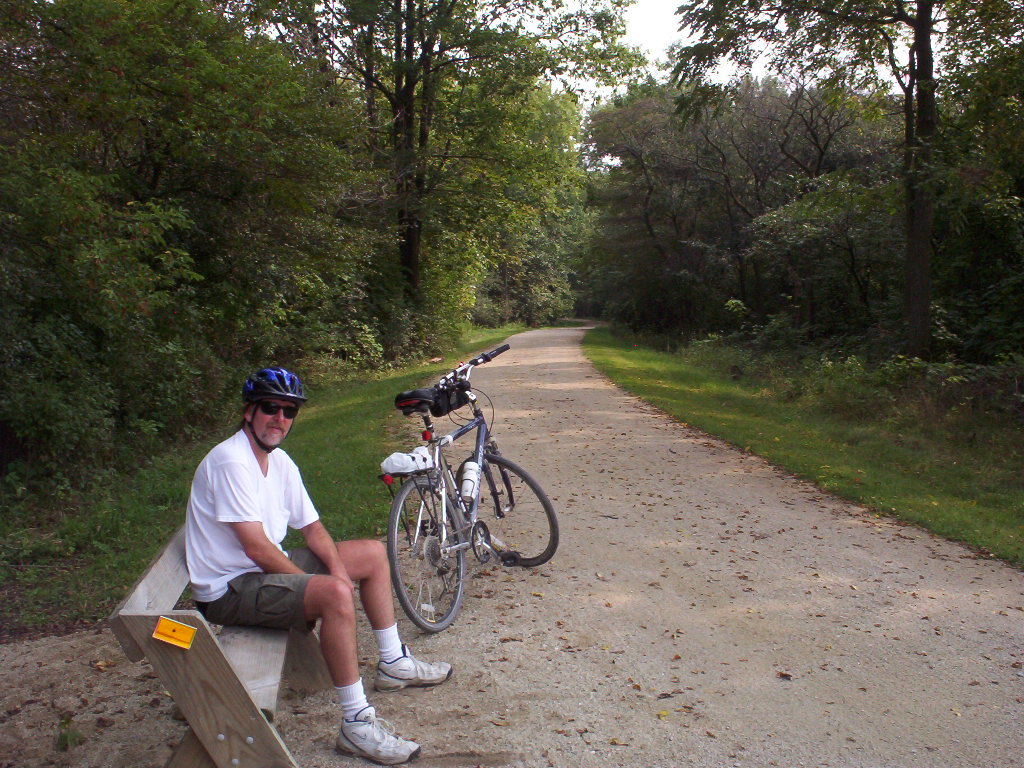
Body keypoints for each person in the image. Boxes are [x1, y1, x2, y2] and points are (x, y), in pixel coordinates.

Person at [185, 366, 451, 765]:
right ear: (248, 412)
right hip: (230, 590)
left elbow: (312, 527)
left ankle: (394, 661)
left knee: (371, 554)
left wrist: (338, 571)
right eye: (270, 408)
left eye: (289, 411)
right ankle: (356, 724)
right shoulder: (231, 462)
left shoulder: (280, 462)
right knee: (332, 596)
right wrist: (325, 585)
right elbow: (257, 548)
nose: (279, 419)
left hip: (262, 575)